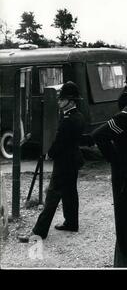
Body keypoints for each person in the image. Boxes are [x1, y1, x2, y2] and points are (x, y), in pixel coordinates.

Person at [89, 77, 127, 267]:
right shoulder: (125, 116)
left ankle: (124, 261)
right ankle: (122, 263)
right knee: (125, 221)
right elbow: (98, 136)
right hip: (124, 176)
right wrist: (116, 160)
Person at [19, 81, 85, 242]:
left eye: (62, 99)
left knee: (52, 197)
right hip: (74, 160)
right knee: (70, 192)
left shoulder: (68, 120)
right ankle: (71, 222)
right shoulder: (79, 116)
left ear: (71, 101)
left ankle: (38, 232)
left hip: (63, 163)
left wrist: (50, 153)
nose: (59, 102)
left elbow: (60, 142)